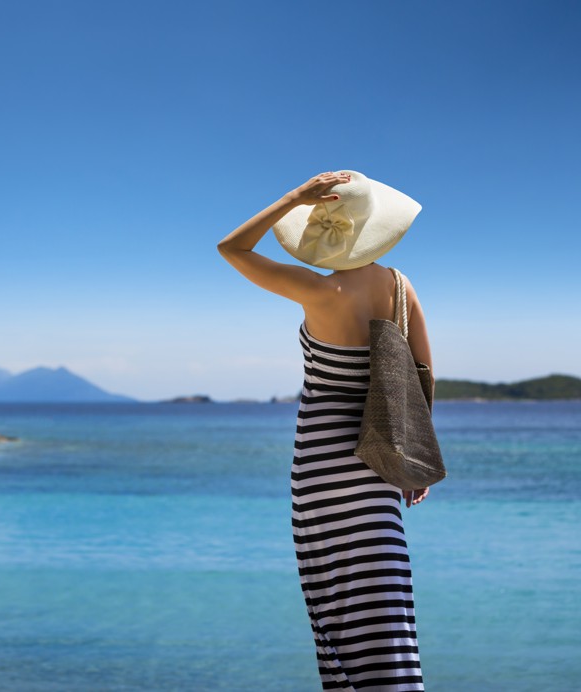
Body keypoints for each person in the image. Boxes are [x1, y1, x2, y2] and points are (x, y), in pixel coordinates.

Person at [217, 170, 431, 691]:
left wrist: (292, 199)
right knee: (385, 595)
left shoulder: (317, 288)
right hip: (378, 455)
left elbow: (231, 248)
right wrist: (413, 460)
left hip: (320, 461)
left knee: (334, 595)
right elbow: (423, 373)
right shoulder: (399, 287)